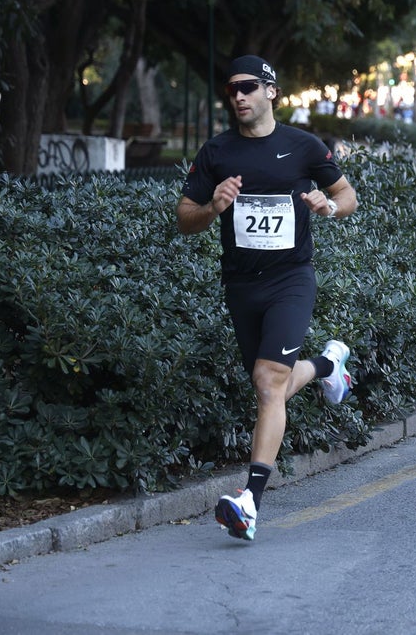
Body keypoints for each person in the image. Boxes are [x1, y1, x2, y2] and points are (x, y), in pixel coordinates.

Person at [176, 55, 358, 542]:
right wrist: (213, 206)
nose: (238, 95)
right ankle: (326, 366)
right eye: (232, 88)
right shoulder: (217, 151)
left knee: (267, 378)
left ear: (271, 91)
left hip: (291, 279)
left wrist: (329, 206)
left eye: (249, 86)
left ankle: (250, 502)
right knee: (269, 386)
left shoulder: (303, 146)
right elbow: (184, 217)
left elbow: (348, 196)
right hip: (241, 284)